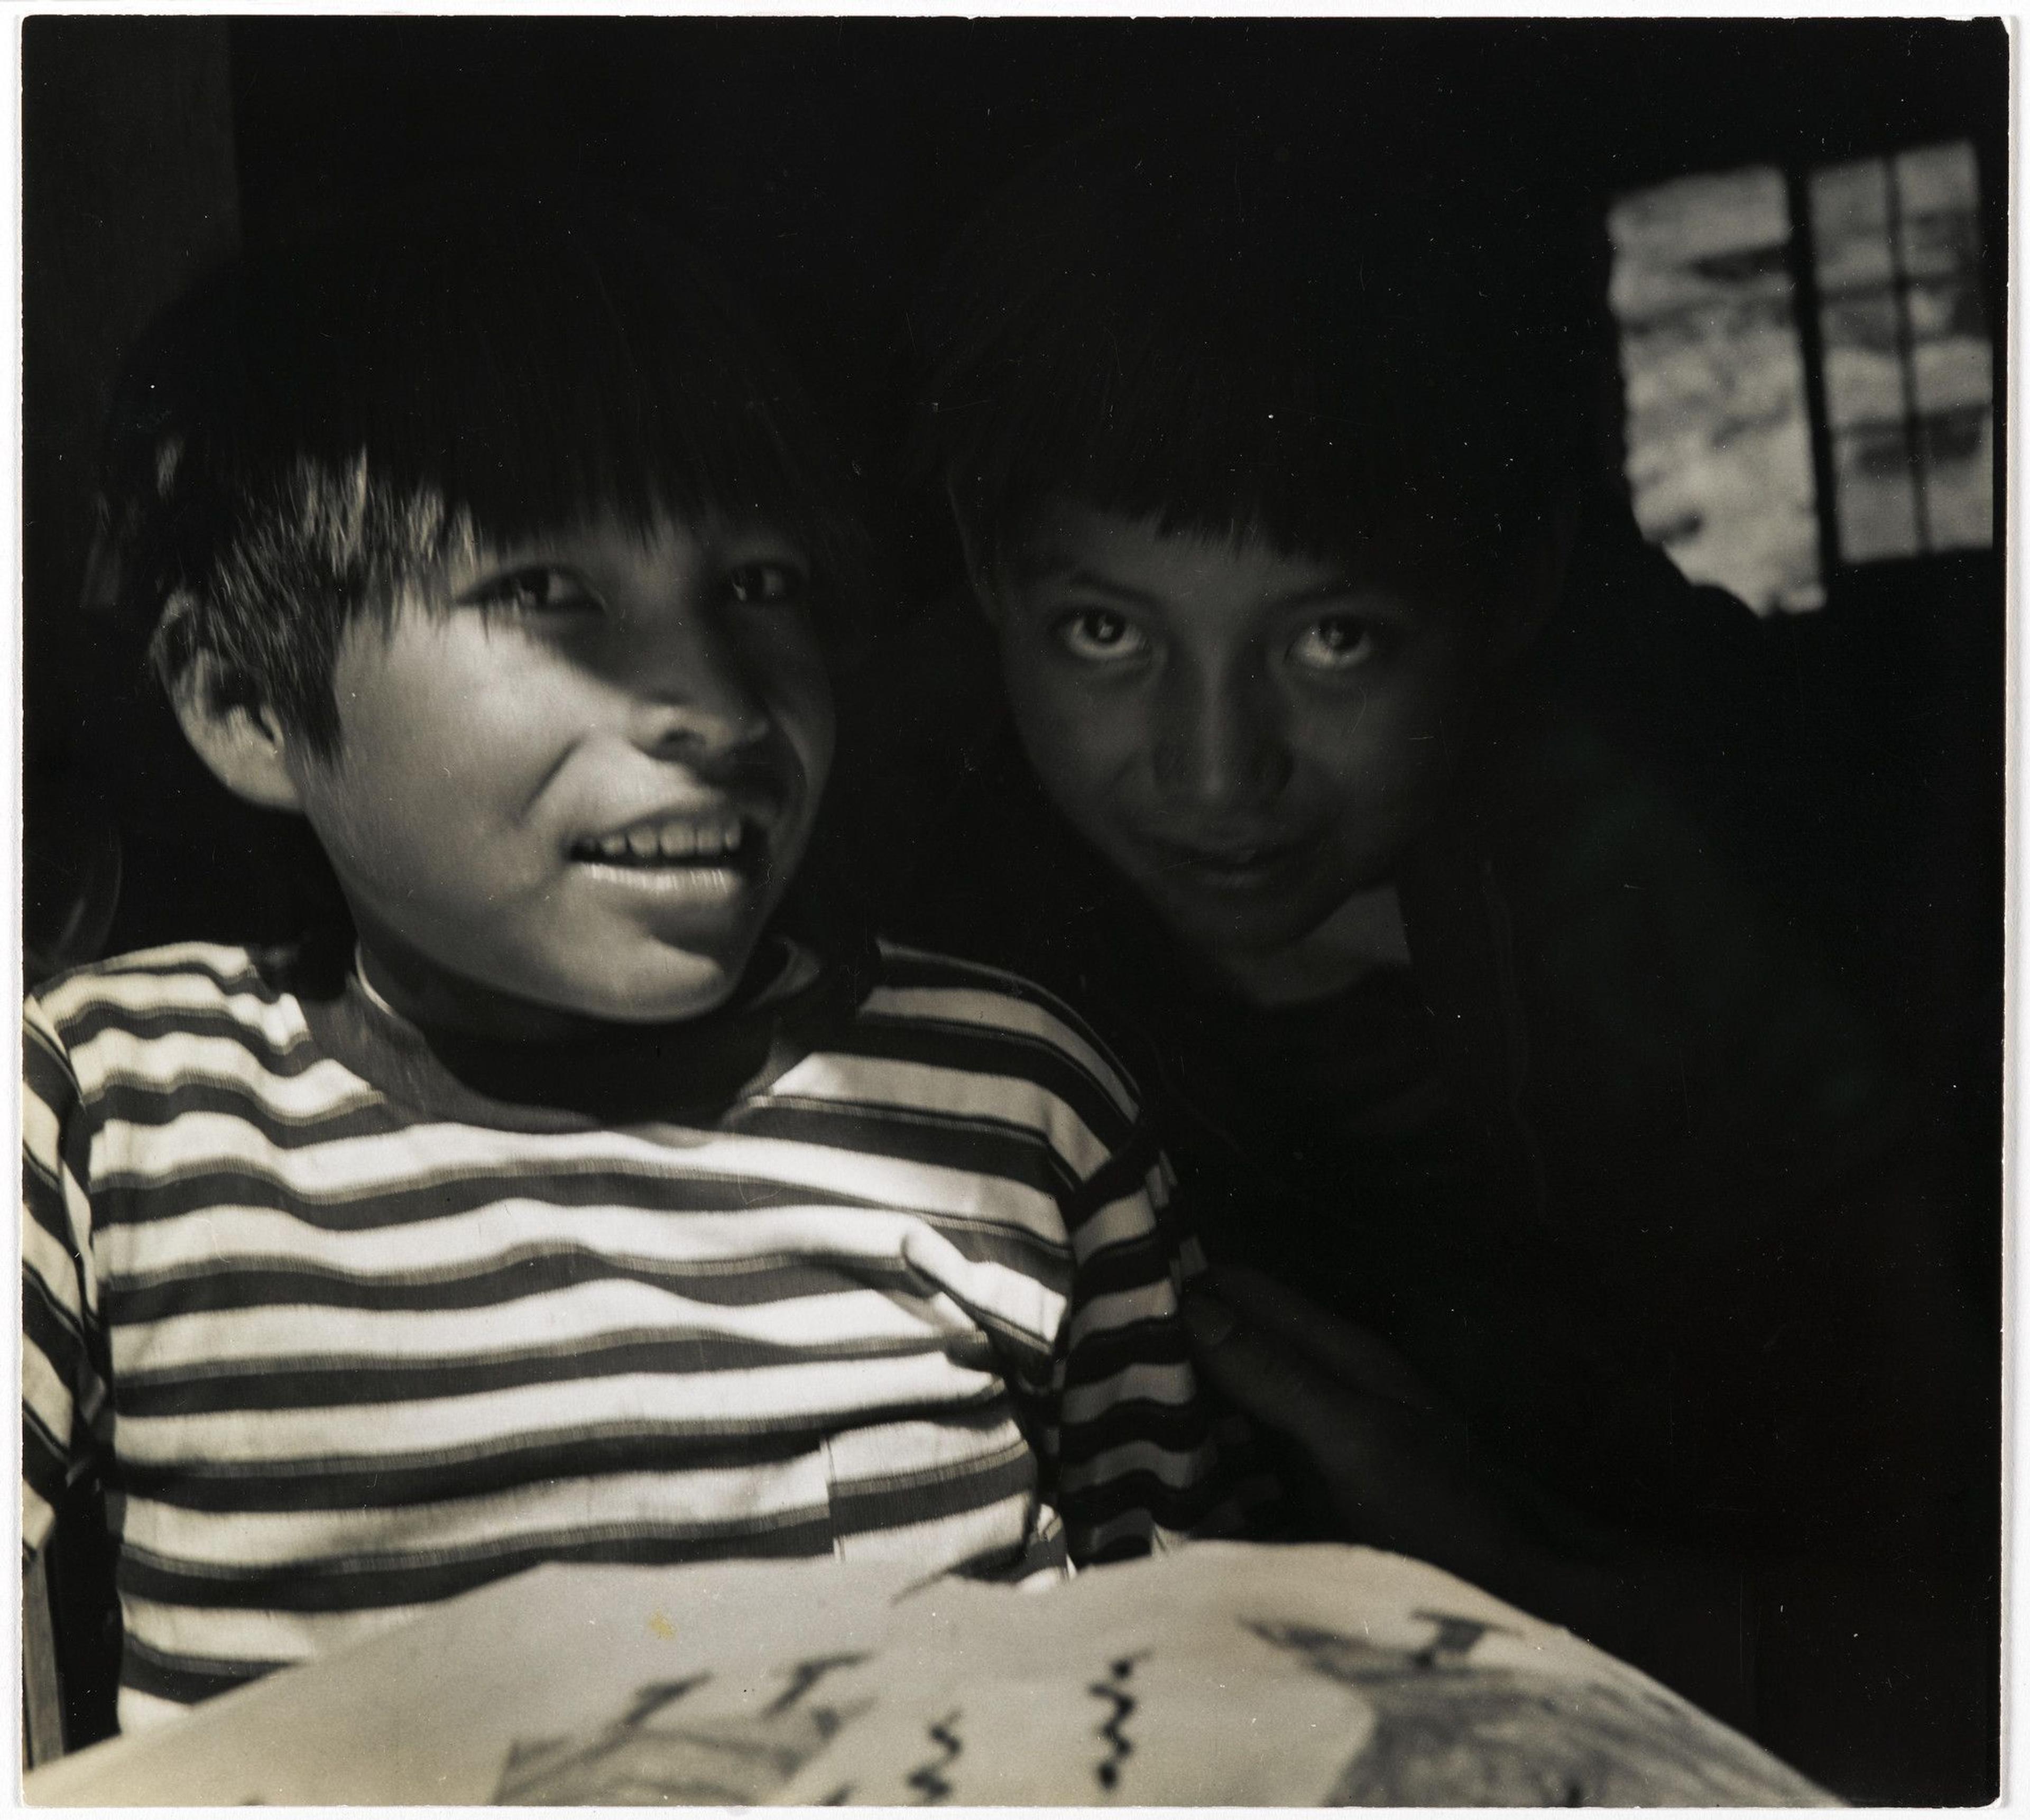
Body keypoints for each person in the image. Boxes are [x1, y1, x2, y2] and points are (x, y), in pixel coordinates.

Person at [20, 187, 1251, 1739]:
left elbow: (1194, 1653)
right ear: (246, 706)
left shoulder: (1016, 1095)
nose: (720, 708)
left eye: (759, 586)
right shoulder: (104, 1106)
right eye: (549, 595)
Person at [882, 116, 1995, 1798]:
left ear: (1519, 585)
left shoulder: (1709, 938)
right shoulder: (882, 840)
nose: (1209, 776)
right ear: (985, 577)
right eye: (1105, 632)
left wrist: (1560, 1593)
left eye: (1334, 639)